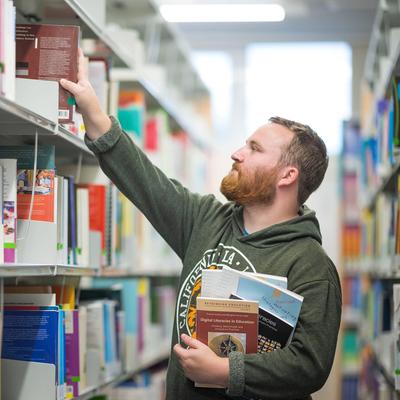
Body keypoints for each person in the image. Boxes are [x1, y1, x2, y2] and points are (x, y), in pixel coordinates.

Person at [60, 49, 341, 400]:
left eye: (254, 148)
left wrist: (226, 372)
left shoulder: (311, 264)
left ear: (288, 175)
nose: (237, 153)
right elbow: (145, 181)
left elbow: (310, 364)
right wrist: (92, 109)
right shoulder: (205, 220)